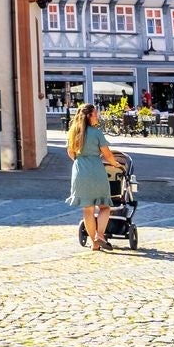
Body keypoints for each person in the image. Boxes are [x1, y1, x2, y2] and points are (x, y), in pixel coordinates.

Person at [67, 103, 123, 250]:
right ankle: (100, 235)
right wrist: (116, 164)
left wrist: (81, 161)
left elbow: (71, 153)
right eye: (95, 113)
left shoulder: (73, 132)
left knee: (88, 210)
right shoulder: (96, 133)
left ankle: (94, 244)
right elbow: (108, 155)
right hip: (96, 172)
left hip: (79, 172)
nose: (97, 116)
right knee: (105, 207)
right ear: (88, 116)